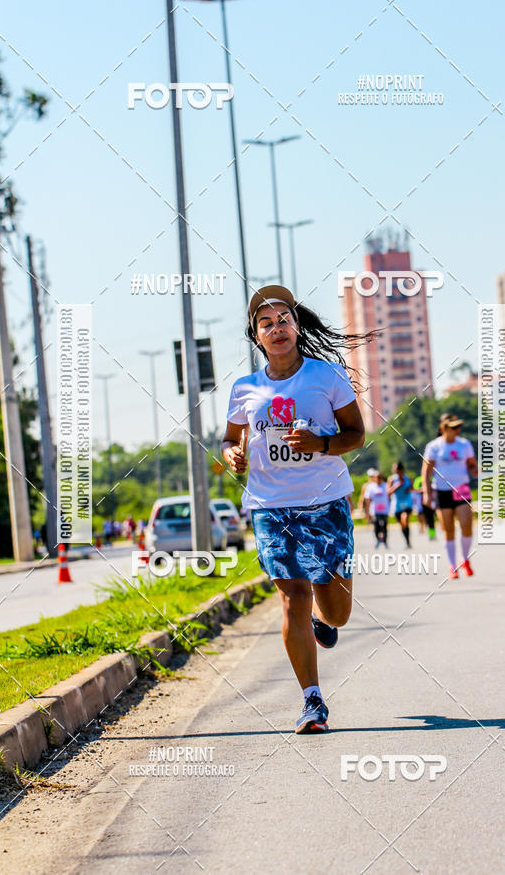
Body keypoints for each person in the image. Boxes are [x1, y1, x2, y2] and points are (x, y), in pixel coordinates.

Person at [222, 285, 370, 734]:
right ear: (257, 337)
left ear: (296, 326)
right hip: (271, 506)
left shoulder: (325, 377)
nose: (276, 328)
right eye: (265, 323)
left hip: (325, 502)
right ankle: (312, 701)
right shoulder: (245, 388)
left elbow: (356, 435)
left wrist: (320, 444)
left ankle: (323, 622)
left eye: (283, 319)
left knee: (338, 612)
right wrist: (232, 454)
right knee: (293, 596)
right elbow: (230, 439)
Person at [422, 413, 478, 579]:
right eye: (453, 427)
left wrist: (477, 470)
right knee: (449, 530)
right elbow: (427, 470)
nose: (457, 430)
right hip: (442, 491)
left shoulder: (464, 444)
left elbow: (472, 466)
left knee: (467, 525)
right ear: (444, 428)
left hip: (462, 489)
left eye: (458, 427)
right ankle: (452, 565)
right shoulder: (434, 446)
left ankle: (465, 559)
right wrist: (427, 493)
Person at [387, 461, 413, 548]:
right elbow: (388, 492)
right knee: (402, 525)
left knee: (404, 519)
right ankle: (407, 542)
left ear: (401, 470)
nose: (396, 471)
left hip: (407, 503)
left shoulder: (407, 478)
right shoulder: (392, 479)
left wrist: (409, 488)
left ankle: (408, 542)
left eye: (397, 469)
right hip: (397, 505)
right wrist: (398, 485)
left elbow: (411, 488)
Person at [363, 469, 389, 548]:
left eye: (380, 477)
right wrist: (367, 513)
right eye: (377, 477)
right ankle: (378, 539)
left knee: (384, 524)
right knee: (376, 525)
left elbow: (390, 495)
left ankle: (384, 540)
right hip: (375, 510)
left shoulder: (386, 485)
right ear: (374, 478)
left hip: (384, 510)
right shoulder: (370, 487)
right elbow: (367, 500)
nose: (378, 479)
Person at [412, 474, 436, 540]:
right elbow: (415, 489)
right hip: (421, 503)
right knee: (423, 519)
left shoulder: (431, 478)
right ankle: (423, 530)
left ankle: (432, 534)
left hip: (430, 503)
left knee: (430, 519)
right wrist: (423, 489)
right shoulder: (418, 480)